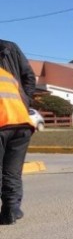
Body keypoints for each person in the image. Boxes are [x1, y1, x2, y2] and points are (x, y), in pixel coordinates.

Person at [0, 39, 36, 225]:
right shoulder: (8, 75)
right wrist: (24, 104)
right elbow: (27, 79)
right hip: (21, 122)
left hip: (3, 121)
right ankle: (11, 209)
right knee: (12, 171)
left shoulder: (9, 49)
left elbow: (29, 77)